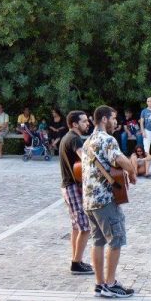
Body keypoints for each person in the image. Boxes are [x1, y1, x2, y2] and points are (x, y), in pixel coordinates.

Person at [82, 106, 137, 298]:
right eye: (113, 118)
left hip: (89, 200)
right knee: (116, 239)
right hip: (105, 200)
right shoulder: (107, 139)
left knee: (97, 241)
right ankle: (111, 284)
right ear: (104, 119)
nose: (116, 122)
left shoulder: (88, 141)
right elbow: (121, 160)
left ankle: (99, 284)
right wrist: (132, 170)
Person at [59, 110, 94, 275]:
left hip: (68, 186)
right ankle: (76, 264)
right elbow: (85, 159)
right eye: (84, 121)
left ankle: (77, 259)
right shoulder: (74, 139)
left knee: (76, 227)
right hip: (73, 186)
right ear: (74, 124)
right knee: (85, 227)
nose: (87, 123)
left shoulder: (67, 137)